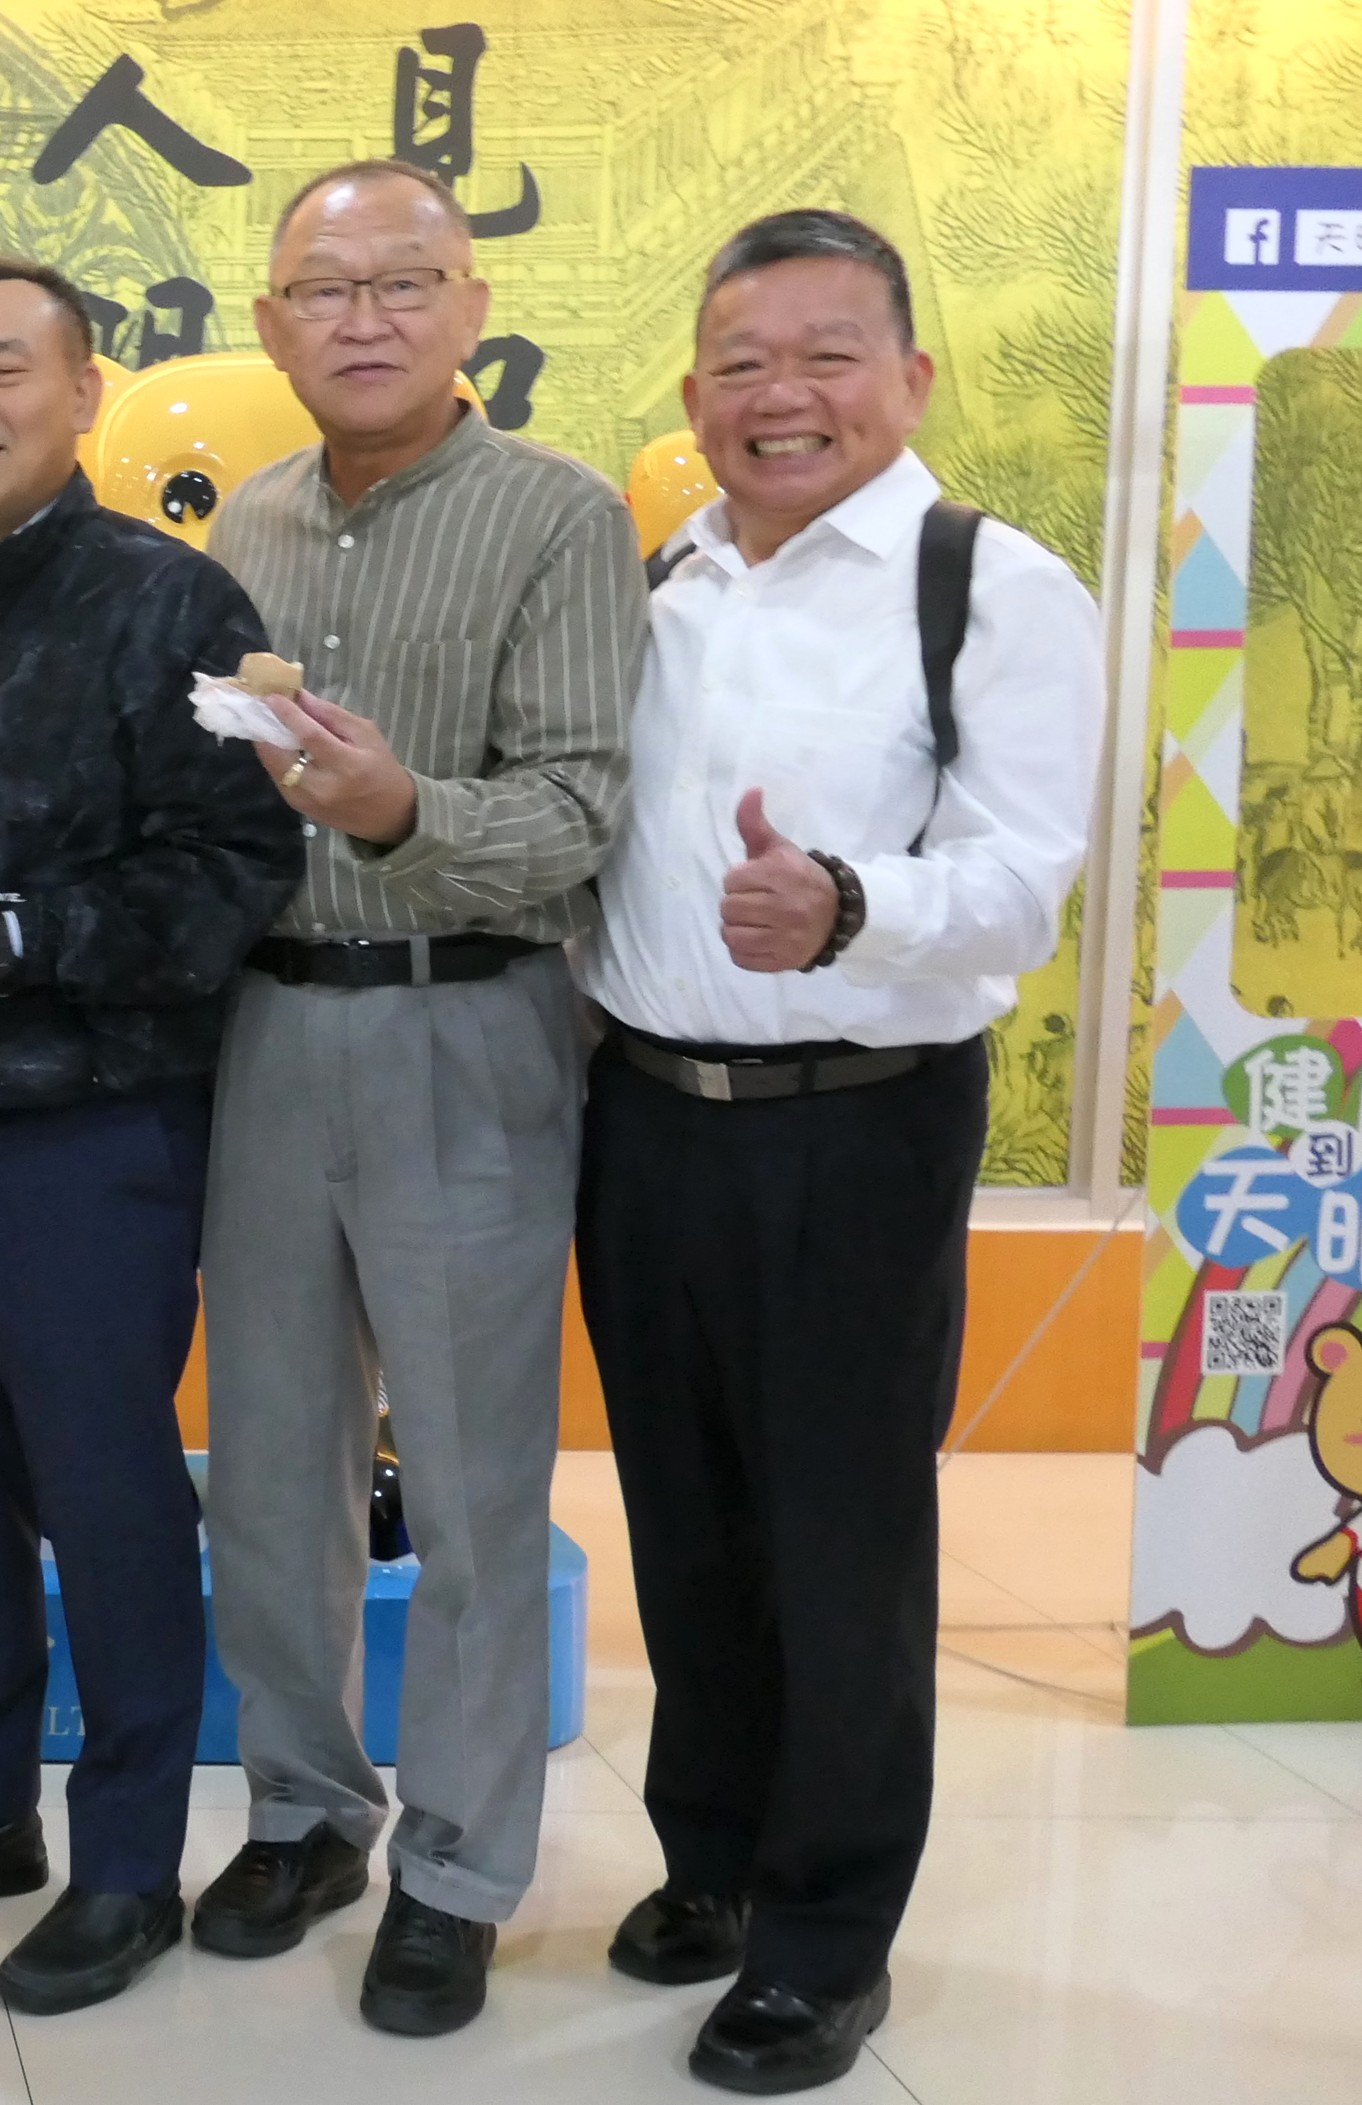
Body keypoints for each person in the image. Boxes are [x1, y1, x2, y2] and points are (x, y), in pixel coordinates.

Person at [572, 208, 1102, 2094]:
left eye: (823, 355)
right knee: (682, 1518)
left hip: (856, 1123)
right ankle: (710, 1860)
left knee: (839, 1538)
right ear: (693, 391)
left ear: (908, 378)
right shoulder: (666, 579)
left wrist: (848, 902)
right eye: (740, 363)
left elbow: (1023, 878)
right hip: (643, 1115)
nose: (778, 395)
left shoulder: (988, 586)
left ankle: (822, 1937)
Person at [0, 255, 303, 2017]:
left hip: (88, 1141)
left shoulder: (174, 602)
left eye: (4, 367)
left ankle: (126, 1864)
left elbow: (235, 869)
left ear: (84, 394)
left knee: (106, 1502)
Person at [194, 158, 643, 2037]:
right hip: (261, 1030)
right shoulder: (243, 528)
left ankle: (455, 1865)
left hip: (468, 1021)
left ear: (469, 308)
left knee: (462, 1479)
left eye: (400, 282)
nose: (361, 318)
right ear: (270, 323)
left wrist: (400, 811)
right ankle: (303, 1808)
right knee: (268, 1458)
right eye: (323, 288)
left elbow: (580, 805)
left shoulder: (560, 515)